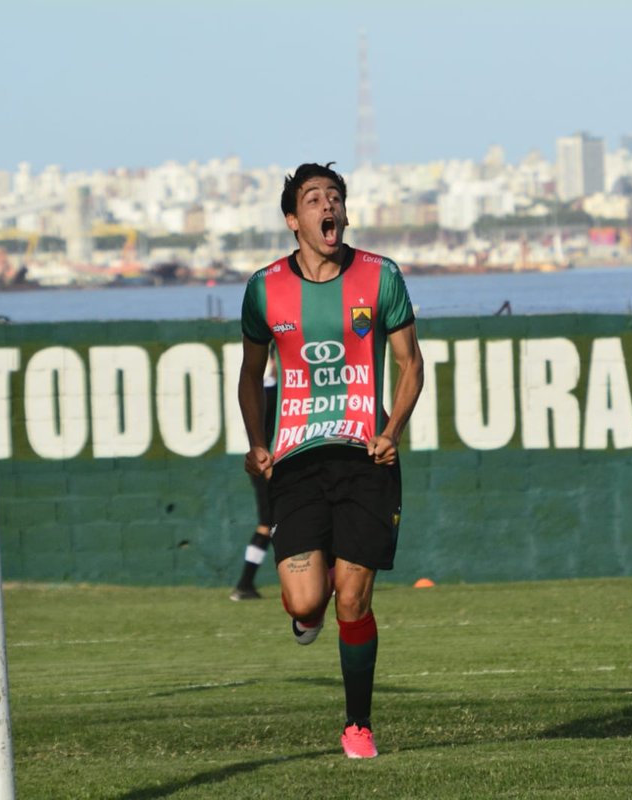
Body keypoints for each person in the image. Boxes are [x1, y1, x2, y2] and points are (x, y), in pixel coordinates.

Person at [237, 162, 424, 759]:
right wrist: (257, 442)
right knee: (304, 600)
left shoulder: (380, 275)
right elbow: (249, 374)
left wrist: (392, 431)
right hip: (296, 461)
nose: (328, 206)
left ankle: (357, 725)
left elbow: (411, 364)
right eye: (314, 198)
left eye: (335, 197)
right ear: (294, 220)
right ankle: (305, 614)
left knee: (353, 597)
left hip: (366, 456)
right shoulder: (264, 288)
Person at [230, 351, 277, 601]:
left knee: (271, 524)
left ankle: (245, 584)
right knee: (268, 524)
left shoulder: (276, 391)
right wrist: (266, 466)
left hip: (273, 465)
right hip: (267, 466)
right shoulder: (269, 392)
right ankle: (244, 584)